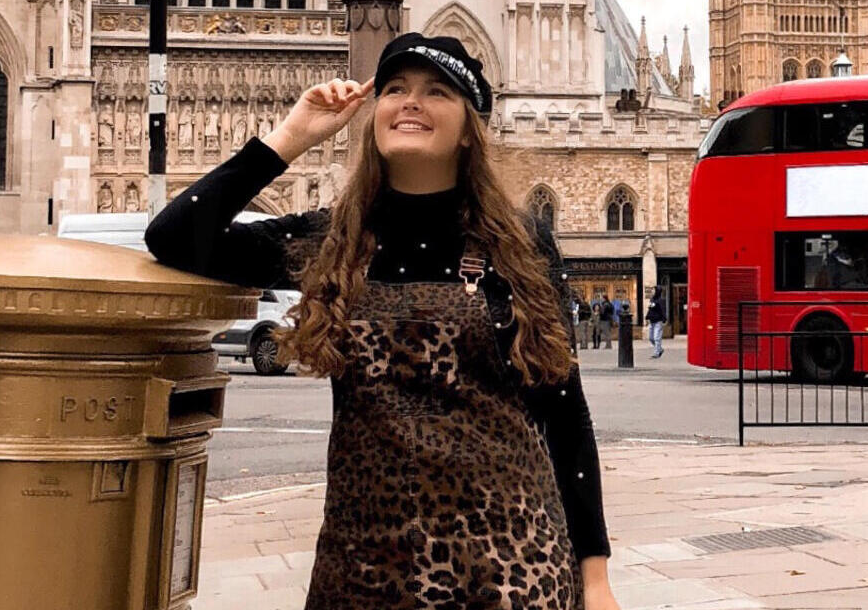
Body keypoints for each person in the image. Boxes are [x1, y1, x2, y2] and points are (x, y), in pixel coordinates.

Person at [144, 34, 620, 610]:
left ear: (469, 126)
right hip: (366, 568)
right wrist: (289, 139)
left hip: (510, 565)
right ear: (375, 120)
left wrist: (595, 579)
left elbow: (566, 414)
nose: (410, 101)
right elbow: (172, 238)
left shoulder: (521, 244)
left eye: (435, 91)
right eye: (395, 89)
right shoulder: (335, 240)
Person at [644, 288, 667, 359]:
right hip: (652, 321)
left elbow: (663, 310)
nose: (652, 292)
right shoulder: (652, 300)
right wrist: (647, 318)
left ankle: (656, 353)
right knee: (651, 338)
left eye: (653, 290)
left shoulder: (661, 301)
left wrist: (664, 319)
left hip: (658, 321)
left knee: (657, 338)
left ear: (657, 291)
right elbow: (650, 310)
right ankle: (660, 349)